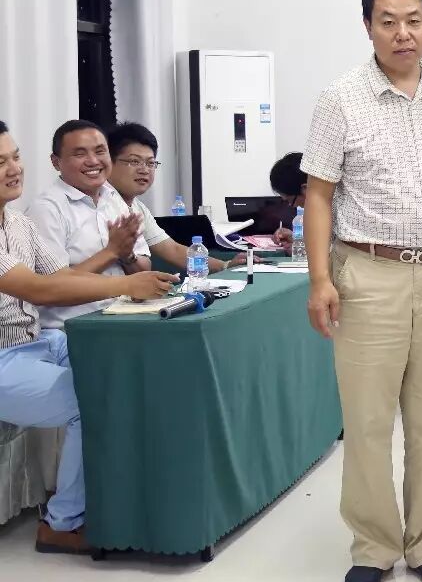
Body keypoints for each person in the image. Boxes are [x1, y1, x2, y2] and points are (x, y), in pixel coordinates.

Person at [302, 0, 422, 582]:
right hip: (367, 273)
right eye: (388, 21)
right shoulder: (341, 98)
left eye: (413, 20)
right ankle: (373, 545)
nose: (403, 33)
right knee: (369, 419)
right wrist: (320, 278)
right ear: (368, 27)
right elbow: (318, 194)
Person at [0, 120, 176, 554]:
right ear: (58, 161)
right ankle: (60, 524)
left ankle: (132, 497)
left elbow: (62, 276)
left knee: (122, 370)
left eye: (15, 157)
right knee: (92, 398)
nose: (13, 169)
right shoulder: (44, 209)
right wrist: (126, 282)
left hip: (39, 343)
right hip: (6, 357)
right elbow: (40, 291)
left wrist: (131, 274)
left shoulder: (18, 224)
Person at [27, 120, 152, 329]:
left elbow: (144, 268)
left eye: (100, 151)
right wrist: (112, 252)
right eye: (80, 154)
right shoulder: (47, 209)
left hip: (124, 318)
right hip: (72, 330)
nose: (93, 161)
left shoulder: (113, 198)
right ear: (56, 162)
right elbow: (51, 289)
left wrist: (127, 255)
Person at [105, 122, 246, 272]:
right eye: (134, 161)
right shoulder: (101, 202)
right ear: (108, 162)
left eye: (150, 163)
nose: (144, 170)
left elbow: (172, 250)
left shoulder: (137, 207)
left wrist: (225, 265)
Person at [269, 152, 306, 245]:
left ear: (305, 189)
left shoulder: (334, 210)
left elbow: (329, 249)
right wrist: (294, 238)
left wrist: (301, 249)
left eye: (290, 201)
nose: (292, 205)